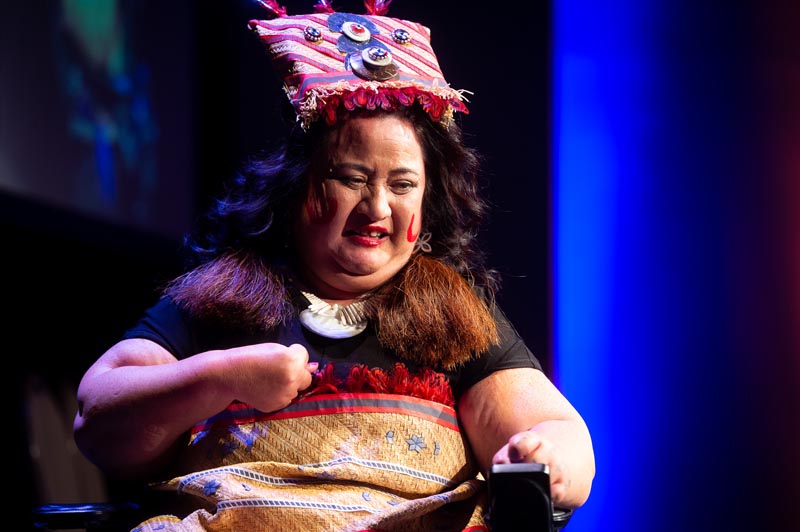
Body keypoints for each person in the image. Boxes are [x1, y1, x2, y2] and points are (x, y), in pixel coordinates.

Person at [73, 2, 595, 530]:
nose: (377, 208)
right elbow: (97, 417)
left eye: (402, 185)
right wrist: (219, 377)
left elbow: (560, 432)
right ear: (296, 187)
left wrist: (545, 455)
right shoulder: (222, 298)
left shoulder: (457, 313)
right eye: (350, 178)